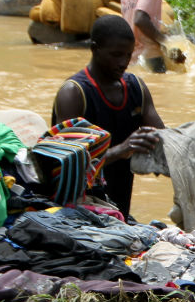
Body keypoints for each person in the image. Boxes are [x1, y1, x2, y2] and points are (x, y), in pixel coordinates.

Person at [50, 14, 164, 218]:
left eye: (128, 55)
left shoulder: (136, 88)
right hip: (77, 207)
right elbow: (68, 164)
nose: (123, 63)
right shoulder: (74, 93)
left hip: (118, 204)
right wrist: (122, 149)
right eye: (116, 55)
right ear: (94, 48)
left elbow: (163, 137)